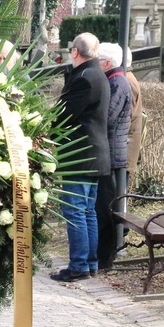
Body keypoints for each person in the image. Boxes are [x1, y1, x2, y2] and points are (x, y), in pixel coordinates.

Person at [49, 32, 110, 282]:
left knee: (75, 210)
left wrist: (46, 128)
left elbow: (64, 115)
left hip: (80, 154)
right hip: (93, 153)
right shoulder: (98, 74)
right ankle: (90, 262)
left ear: (75, 52)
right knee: (87, 211)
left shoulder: (85, 77)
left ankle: (79, 265)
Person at [95, 42, 132, 272]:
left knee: (106, 208)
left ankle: (106, 257)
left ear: (107, 63)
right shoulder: (114, 80)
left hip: (111, 153)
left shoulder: (117, 82)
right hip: (109, 151)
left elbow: (107, 116)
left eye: (98, 61)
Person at [124, 48, 144, 188]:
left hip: (125, 149)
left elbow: (125, 117)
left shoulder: (127, 81)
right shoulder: (127, 78)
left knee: (117, 198)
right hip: (125, 148)